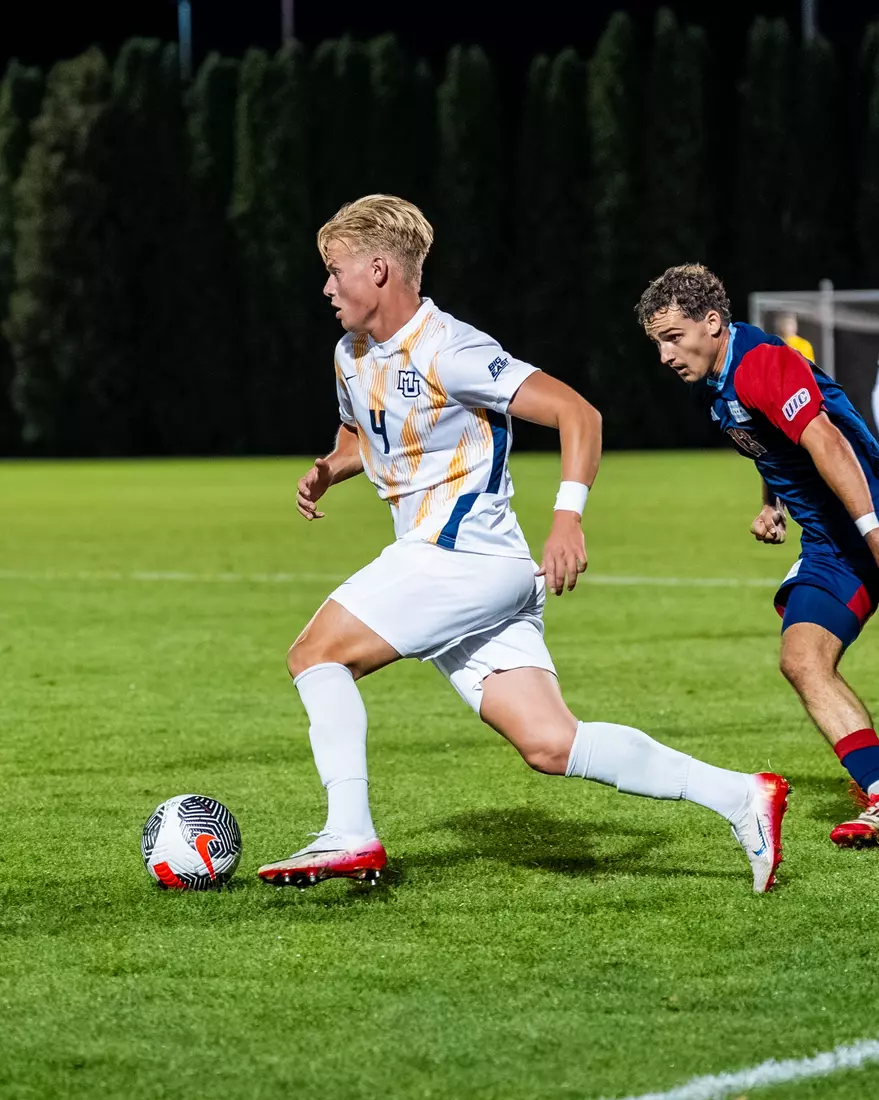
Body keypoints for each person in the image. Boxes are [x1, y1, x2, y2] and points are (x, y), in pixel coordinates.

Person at [257, 198, 788, 893]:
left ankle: (348, 834)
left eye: (334, 271)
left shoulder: (453, 348)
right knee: (549, 743)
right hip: (477, 573)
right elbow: (364, 433)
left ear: (379, 269)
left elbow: (577, 413)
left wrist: (567, 518)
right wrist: (329, 468)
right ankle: (741, 795)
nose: (326, 288)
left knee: (314, 654)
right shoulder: (350, 353)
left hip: (460, 559)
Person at [637, 263, 879, 847]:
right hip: (831, 543)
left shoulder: (761, 363)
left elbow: (829, 442)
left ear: (713, 323)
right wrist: (772, 503)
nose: (666, 355)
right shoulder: (716, 387)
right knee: (802, 659)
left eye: (674, 337)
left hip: (866, 522)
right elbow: (775, 448)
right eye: (657, 343)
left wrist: (874, 531)